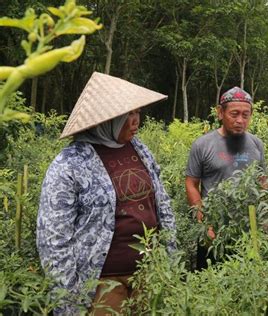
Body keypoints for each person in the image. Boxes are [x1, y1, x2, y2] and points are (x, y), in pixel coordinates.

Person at [36, 72, 176, 315]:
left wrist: (170, 254)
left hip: (149, 274)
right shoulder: (70, 164)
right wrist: (69, 296)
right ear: (106, 119)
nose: (135, 122)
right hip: (101, 283)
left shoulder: (140, 149)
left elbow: (161, 203)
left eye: (137, 113)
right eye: (127, 115)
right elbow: (53, 238)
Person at [185, 86, 265, 269]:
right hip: (213, 230)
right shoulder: (202, 145)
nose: (240, 120)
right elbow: (191, 183)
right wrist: (204, 223)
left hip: (247, 232)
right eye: (234, 114)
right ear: (220, 113)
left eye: (246, 115)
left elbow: (263, 182)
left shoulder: (256, 144)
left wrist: (265, 223)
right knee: (209, 283)